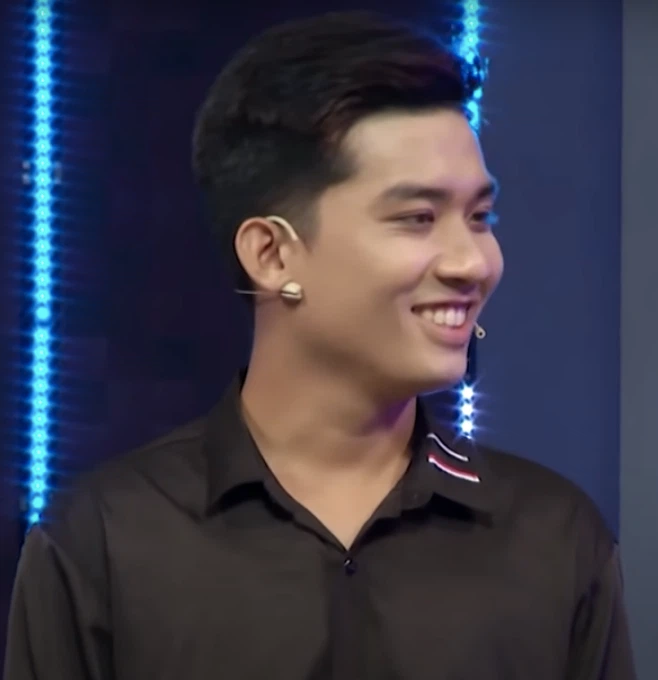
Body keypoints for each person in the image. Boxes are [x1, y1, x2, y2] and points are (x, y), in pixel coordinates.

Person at [3, 11, 636, 680]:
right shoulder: (102, 543)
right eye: (418, 218)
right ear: (272, 254)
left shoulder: (555, 541)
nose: (474, 262)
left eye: (480, 217)